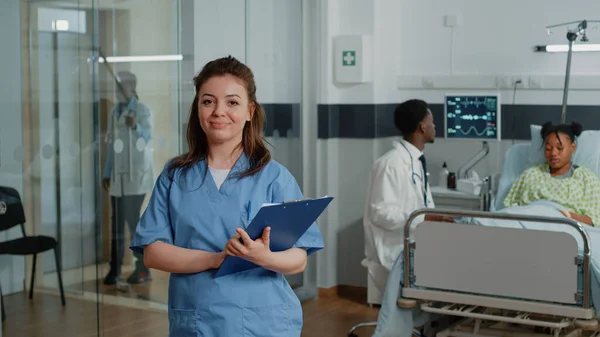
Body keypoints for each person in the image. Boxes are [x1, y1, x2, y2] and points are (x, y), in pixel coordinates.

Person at [129, 56, 324, 336]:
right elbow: (153, 252)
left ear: (249, 111)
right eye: (208, 101)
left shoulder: (274, 177)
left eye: (232, 102)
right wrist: (214, 259)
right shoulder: (175, 176)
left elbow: (298, 258)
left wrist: (262, 256)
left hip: (262, 321)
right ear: (198, 109)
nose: (219, 111)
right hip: (197, 319)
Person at [362, 99, 453, 304]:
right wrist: (424, 218)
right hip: (393, 251)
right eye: (431, 121)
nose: (434, 126)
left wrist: (433, 219)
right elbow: (381, 213)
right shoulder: (391, 165)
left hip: (413, 243)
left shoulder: (415, 161)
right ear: (422, 127)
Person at [102, 71, 154, 285]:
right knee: (116, 224)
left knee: (132, 220)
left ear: (132, 88)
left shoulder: (142, 110)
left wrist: (135, 126)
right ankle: (114, 270)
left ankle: (143, 268)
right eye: (117, 87)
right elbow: (112, 146)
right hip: (119, 177)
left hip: (136, 177)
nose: (118, 90)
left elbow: (149, 136)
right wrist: (107, 172)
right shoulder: (115, 112)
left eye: (122, 86)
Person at [504, 121, 600, 226]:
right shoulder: (530, 175)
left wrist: (569, 217)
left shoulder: (587, 179)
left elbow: (594, 220)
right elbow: (510, 210)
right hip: (528, 223)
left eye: (560, 148)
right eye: (548, 149)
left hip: (564, 226)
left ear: (573, 147)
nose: (553, 153)